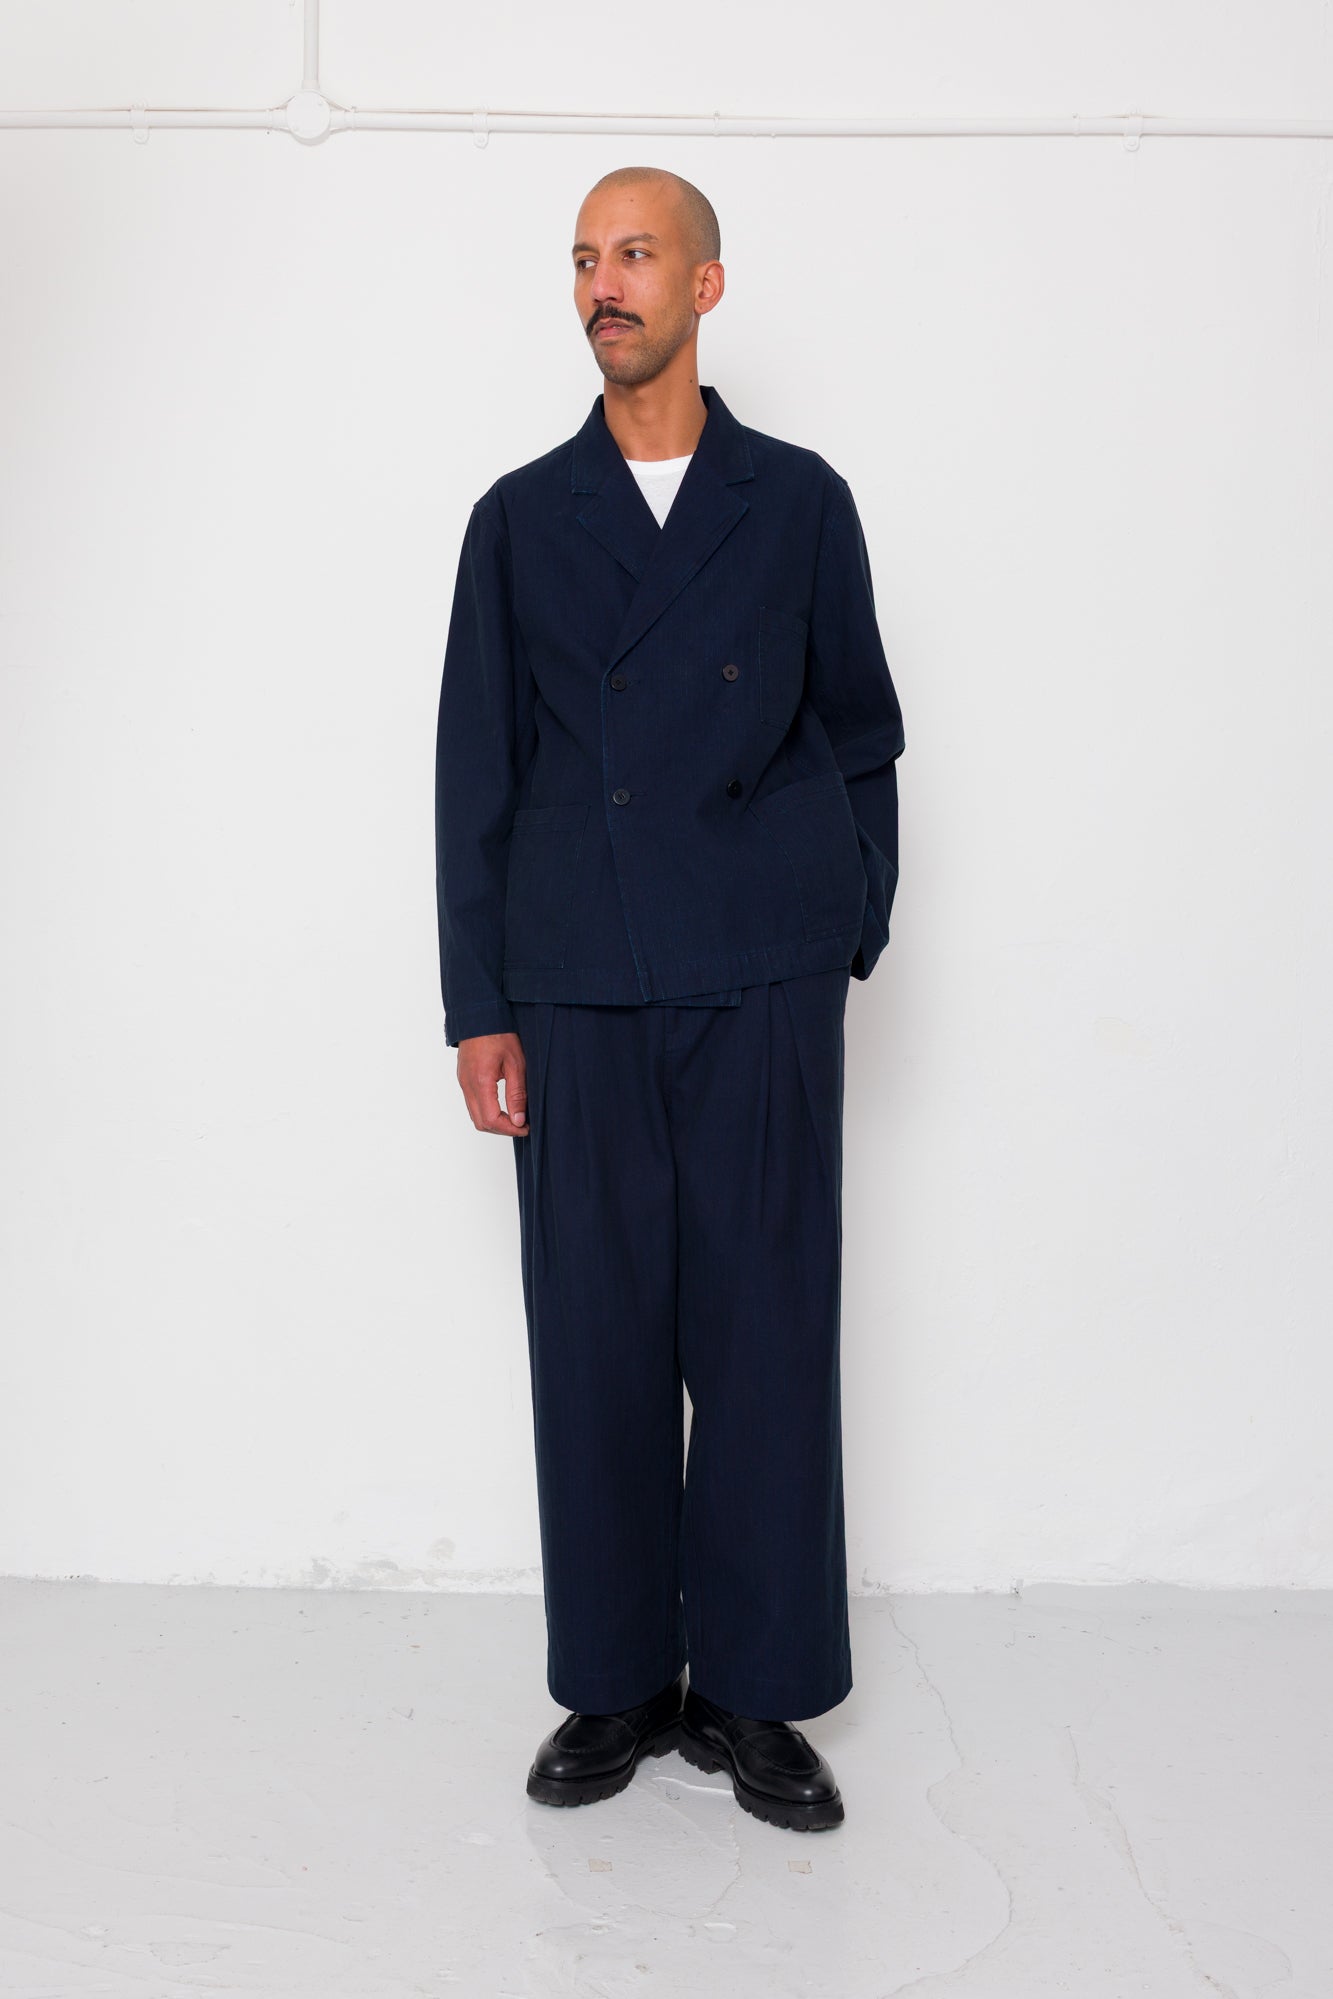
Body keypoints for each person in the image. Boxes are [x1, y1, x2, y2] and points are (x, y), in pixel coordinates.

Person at [434, 165, 905, 1832]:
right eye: (581, 258)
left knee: (770, 1337)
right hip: (575, 983)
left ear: (707, 287)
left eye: (634, 254)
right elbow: (475, 770)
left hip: (762, 969)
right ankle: (622, 1684)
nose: (601, 283)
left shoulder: (796, 502)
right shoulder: (518, 516)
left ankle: (758, 1695)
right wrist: (479, 1003)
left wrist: (845, 914)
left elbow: (858, 728)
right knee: (596, 1339)